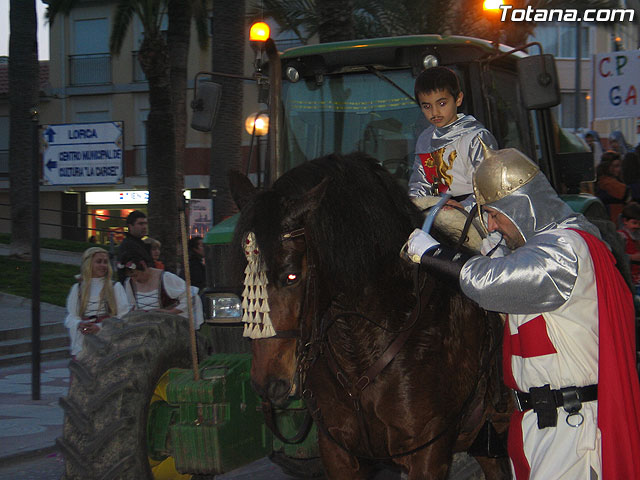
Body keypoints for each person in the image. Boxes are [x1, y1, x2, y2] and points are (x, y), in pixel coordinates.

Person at [405, 145, 640, 479]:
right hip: (543, 423)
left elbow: (489, 283)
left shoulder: (566, 249)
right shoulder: (546, 249)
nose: (491, 225)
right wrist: (496, 251)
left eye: (495, 214)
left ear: (521, 207)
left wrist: (432, 254)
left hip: (570, 430)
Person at [408, 66, 498, 209]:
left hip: (476, 212)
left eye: (442, 104)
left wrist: (462, 207)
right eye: (427, 106)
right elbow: (420, 183)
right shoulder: (425, 140)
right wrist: (414, 205)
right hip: (437, 211)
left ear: (458, 99)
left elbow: (490, 185)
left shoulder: (475, 137)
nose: (435, 112)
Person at [65, 247, 130, 357]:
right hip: (84, 342)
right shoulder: (78, 288)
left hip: (108, 341)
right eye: (99, 262)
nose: (103, 265)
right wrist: (79, 324)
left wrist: (100, 327)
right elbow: (71, 316)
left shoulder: (115, 287)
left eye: (105, 262)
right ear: (89, 263)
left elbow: (124, 316)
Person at [119, 251, 203, 328]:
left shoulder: (165, 278)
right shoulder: (129, 283)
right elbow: (131, 306)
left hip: (169, 326)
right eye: (131, 276)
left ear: (143, 265)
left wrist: (171, 312)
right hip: (145, 327)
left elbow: (191, 296)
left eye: (135, 275)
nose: (134, 280)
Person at [117, 210, 152, 283]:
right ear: (130, 226)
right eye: (140, 224)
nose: (144, 227)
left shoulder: (140, 244)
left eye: (145, 223)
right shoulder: (128, 246)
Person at [595, 151, 629, 224]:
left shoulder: (609, 180)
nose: (618, 169)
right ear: (607, 167)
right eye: (615, 166)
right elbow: (625, 193)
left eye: (619, 166)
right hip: (612, 219)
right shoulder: (605, 182)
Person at [618, 202, 640, 289]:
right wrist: (631, 257)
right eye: (634, 223)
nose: (637, 226)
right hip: (628, 277)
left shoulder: (637, 235)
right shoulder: (621, 236)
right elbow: (618, 257)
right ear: (625, 221)